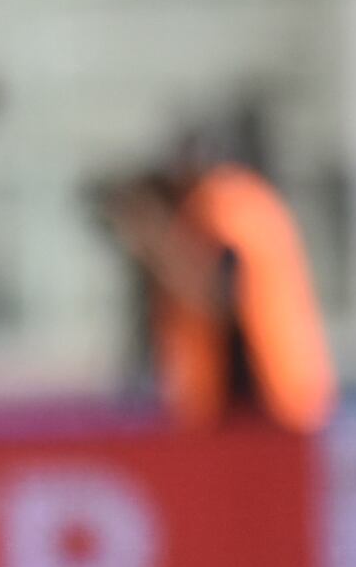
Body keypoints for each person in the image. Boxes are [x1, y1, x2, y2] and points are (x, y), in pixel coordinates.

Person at [97, 138, 331, 435]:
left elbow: (217, 296)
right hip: (243, 404)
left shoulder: (223, 205)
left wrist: (153, 236)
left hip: (265, 401)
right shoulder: (226, 206)